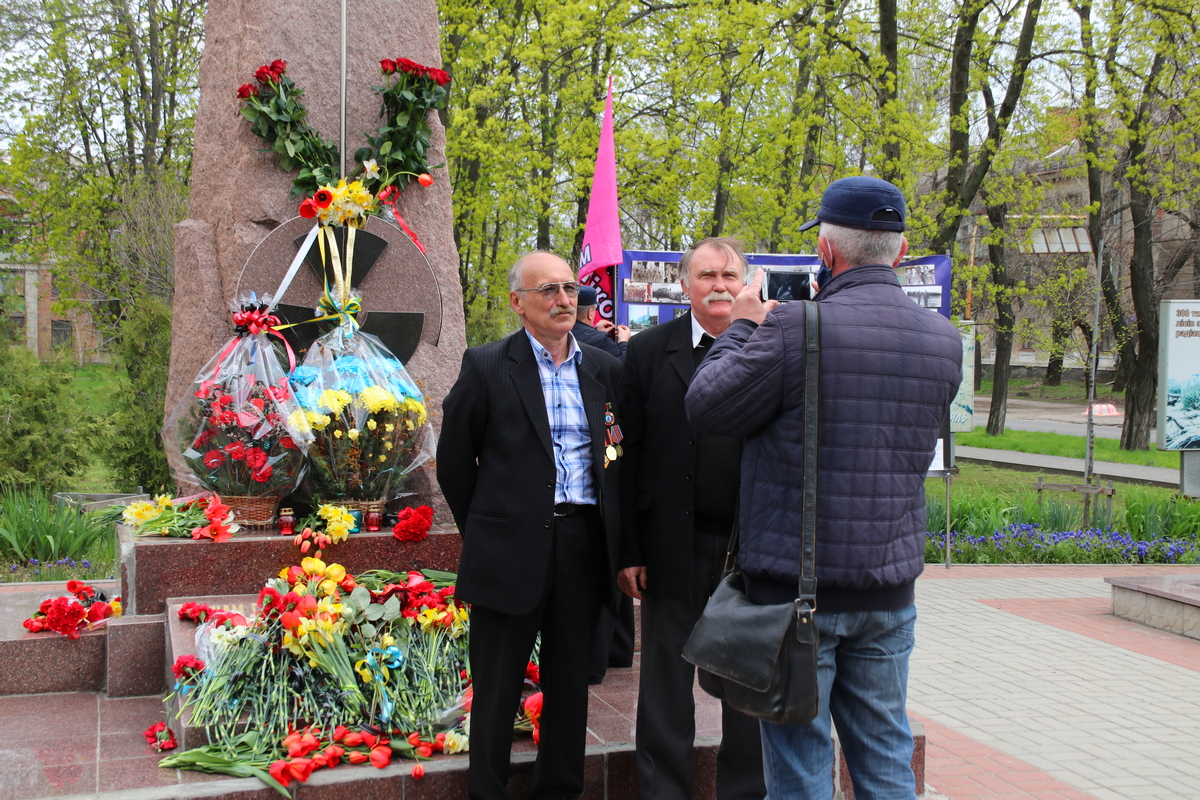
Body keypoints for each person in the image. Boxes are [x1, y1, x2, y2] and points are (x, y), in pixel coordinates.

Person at [685, 177, 963, 800]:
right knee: (887, 756)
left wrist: (746, 325)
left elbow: (706, 405)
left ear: (827, 254)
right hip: (889, 592)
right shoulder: (944, 343)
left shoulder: (793, 329)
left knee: (800, 766)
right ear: (901, 247)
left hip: (796, 593)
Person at [437, 251, 625, 800]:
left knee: (570, 686)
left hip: (582, 547)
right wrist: (489, 528)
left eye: (569, 289)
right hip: (508, 549)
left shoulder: (605, 370)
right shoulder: (487, 366)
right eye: (549, 291)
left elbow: (614, 452)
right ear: (519, 303)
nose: (564, 300)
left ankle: (559, 790)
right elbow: (454, 463)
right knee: (497, 689)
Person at [618, 236, 767, 800]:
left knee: (747, 688)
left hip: (748, 551)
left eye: (731, 275)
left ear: (747, 283)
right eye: (707, 275)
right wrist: (630, 549)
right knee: (664, 686)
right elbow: (625, 455)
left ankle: (744, 792)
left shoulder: (773, 346)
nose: (720, 285)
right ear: (684, 285)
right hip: (670, 546)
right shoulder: (649, 352)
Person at [569, 284, 636, 684]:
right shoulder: (601, 345)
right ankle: (617, 651)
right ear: (593, 312)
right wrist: (625, 343)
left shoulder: (583, 343)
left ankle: (601, 655)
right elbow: (628, 384)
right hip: (608, 467)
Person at [572, 285, 631, 359]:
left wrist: (596, 331)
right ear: (590, 313)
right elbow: (623, 364)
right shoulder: (601, 340)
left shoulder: (562, 331)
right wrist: (624, 341)